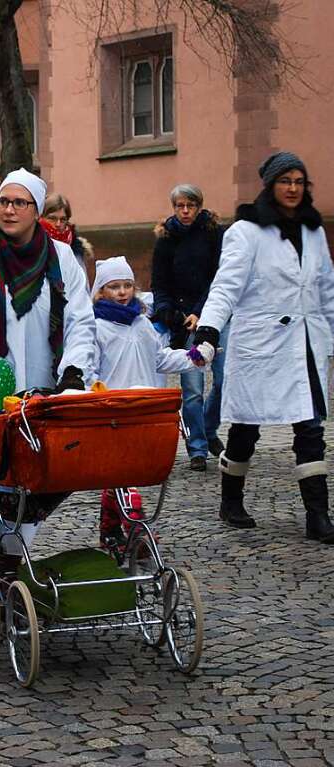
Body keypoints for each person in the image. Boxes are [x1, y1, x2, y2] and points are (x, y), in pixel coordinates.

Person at [0, 168, 96, 561]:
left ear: (36, 210)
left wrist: (74, 370)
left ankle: (11, 550)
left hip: (44, 388)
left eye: (19, 203)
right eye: (2, 201)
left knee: (39, 474)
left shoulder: (60, 259)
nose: (8, 210)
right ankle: (3, 550)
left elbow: (79, 320)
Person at [192, 152, 334, 543]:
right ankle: (231, 501)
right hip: (262, 345)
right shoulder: (246, 230)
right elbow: (226, 287)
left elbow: (326, 290)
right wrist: (209, 330)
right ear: (270, 185)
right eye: (285, 181)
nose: (293, 188)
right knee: (245, 430)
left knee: (310, 427)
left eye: (299, 181)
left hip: (304, 343)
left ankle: (317, 516)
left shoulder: (313, 231)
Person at [89, 256, 194, 549]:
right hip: (112, 411)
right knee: (123, 472)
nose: (122, 292)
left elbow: (160, 358)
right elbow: (89, 369)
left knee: (122, 472)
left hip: (143, 409)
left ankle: (109, 533)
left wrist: (193, 357)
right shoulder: (96, 328)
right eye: (114, 287)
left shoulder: (143, 325)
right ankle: (137, 528)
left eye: (127, 285)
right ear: (102, 291)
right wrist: (93, 393)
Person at [152, 183, 226, 471]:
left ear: (199, 206)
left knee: (224, 379)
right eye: (180, 206)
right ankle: (198, 447)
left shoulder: (213, 234)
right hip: (184, 320)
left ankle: (208, 428)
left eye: (190, 205)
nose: (185, 211)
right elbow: (160, 283)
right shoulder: (166, 238)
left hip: (216, 314)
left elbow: (219, 279)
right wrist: (166, 310)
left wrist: (200, 311)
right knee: (193, 386)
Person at [40, 193, 94, 268]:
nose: (58, 224)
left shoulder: (76, 249)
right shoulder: (30, 244)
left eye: (63, 219)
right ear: (41, 217)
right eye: (52, 218)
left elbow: (82, 278)